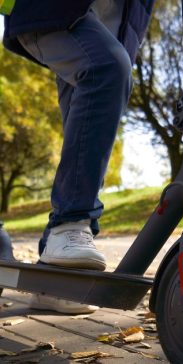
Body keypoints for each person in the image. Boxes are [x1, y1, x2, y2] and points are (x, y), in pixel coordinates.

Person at [2, 0, 156, 313]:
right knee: (105, 68)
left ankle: (54, 280)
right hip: (53, 10)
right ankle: (69, 225)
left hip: (112, 26)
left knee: (87, 124)